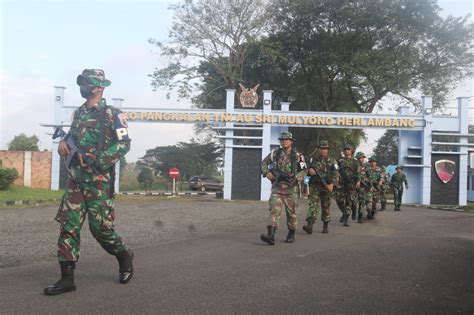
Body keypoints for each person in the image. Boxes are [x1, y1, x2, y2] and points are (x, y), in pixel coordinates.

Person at [44, 69, 134, 295]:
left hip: (98, 181)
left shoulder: (114, 114)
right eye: (82, 83)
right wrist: (63, 145)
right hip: (75, 180)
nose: (83, 87)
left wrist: (98, 160)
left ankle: (124, 256)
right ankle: (67, 280)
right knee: (68, 226)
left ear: (100, 87)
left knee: (101, 229)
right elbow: (71, 138)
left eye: (87, 83)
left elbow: (124, 144)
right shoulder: (79, 113)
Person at [260, 131, 306, 244]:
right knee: (274, 211)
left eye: (286, 140)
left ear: (291, 141)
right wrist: (267, 173)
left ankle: (291, 233)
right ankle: (271, 235)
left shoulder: (298, 156)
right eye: (282, 140)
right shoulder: (275, 153)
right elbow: (263, 163)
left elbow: (304, 169)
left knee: (291, 213)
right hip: (277, 188)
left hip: (291, 189)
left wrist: (298, 177)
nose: (284, 141)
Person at [302, 140, 337, 234]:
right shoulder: (312, 160)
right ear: (319, 149)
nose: (323, 150)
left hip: (326, 187)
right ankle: (309, 225)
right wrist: (308, 172)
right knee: (313, 205)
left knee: (325, 207)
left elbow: (336, 174)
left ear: (328, 150)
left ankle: (325, 225)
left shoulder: (332, 161)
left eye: (325, 149)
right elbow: (304, 171)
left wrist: (332, 184)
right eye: (321, 148)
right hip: (315, 186)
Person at [335, 144, 360, 225]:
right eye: (345, 149)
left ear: (351, 151)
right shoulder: (339, 161)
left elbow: (358, 173)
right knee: (339, 200)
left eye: (348, 149)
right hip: (341, 184)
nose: (346, 150)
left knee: (348, 201)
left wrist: (358, 181)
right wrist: (336, 177)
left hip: (351, 184)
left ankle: (346, 219)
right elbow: (335, 170)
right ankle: (344, 213)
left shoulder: (355, 162)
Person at [355, 152, 368, 224]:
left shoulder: (366, 166)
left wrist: (367, 181)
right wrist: (357, 180)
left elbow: (369, 175)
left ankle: (360, 217)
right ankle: (350, 212)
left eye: (363, 157)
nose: (362, 159)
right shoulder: (354, 164)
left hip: (362, 187)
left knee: (361, 202)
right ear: (357, 158)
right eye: (361, 157)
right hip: (354, 186)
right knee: (353, 202)